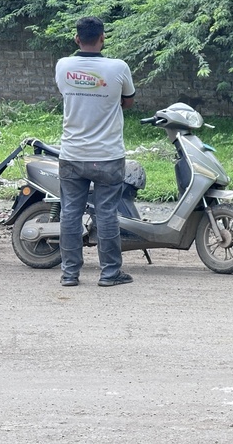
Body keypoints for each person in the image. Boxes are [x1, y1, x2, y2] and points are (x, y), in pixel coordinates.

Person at [55, 16, 136, 287]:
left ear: (77, 39)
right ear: (103, 37)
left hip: (72, 155)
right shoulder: (119, 67)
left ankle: (69, 274)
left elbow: (67, 95)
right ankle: (110, 273)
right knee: (107, 214)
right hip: (108, 156)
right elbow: (129, 101)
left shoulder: (63, 66)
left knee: (69, 213)